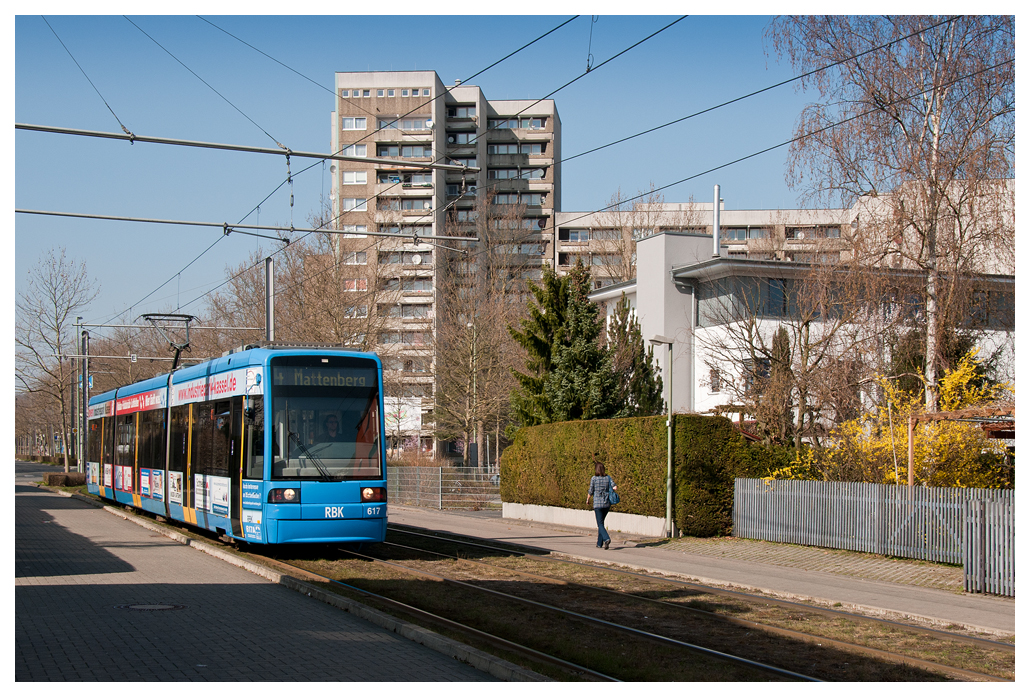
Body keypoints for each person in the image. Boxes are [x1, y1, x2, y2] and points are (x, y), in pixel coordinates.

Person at [586, 460, 617, 550]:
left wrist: (588, 499)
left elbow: (591, 490)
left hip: (597, 504)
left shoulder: (594, 479)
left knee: (599, 523)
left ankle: (606, 539)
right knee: (601, 523)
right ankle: (599, 543)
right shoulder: (608, 478)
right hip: (606, 503)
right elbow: (615, 487)